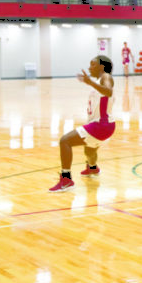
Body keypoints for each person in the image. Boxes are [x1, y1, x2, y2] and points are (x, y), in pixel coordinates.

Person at [49, 55, 115, 192]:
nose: (89, 67)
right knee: (89, 150)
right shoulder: (101, 80)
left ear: (102, 67)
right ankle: (92, 168)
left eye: (93, 65)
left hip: (101, 125)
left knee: (65, 141)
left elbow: (108, 92)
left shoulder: (106, 77)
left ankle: (66, 179)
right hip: (105, 125)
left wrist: (90, 82)